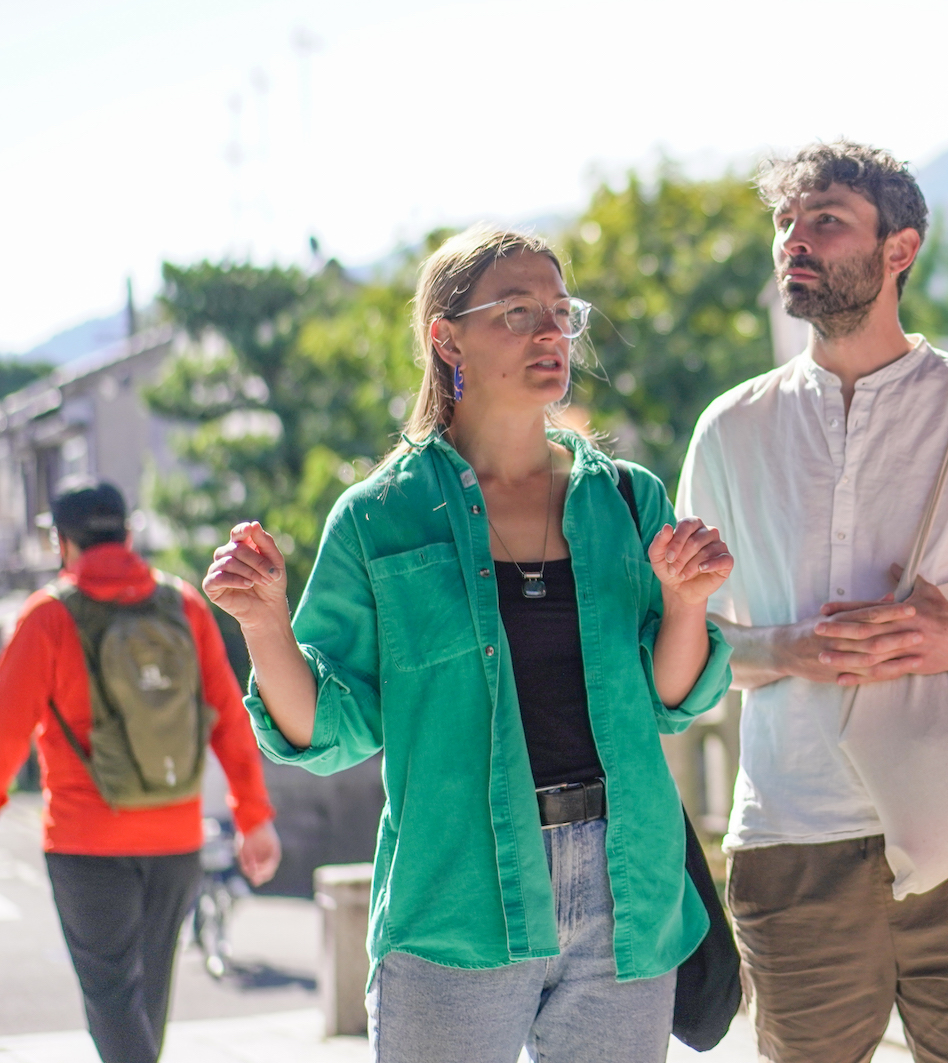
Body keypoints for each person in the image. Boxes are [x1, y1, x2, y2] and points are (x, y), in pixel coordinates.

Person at [200, 226, 734, 1063]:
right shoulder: (379, 515)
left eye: (561, 312)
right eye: (517, 312)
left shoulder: (628, 500)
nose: (551, 333)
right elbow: (327, 728)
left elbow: (670, 698)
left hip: (626, 892)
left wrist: (686, 603)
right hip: (453, 897)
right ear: (446, 338)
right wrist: (264, 622)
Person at [675, 141, 948, 1063]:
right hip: (791, 839)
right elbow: (681, 642)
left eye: (824, 220)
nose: (795, 241)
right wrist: (788, 650)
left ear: (899, 249)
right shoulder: (730, 429)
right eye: (786, 223)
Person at [0, 480, 281, 1063]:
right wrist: (253, 818)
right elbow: (229, 716)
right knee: (146, 1000)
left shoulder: (48, 615)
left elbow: (6, 733)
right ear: (128, 534)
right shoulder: (182, 604)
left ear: (62, 542)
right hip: (176, 838)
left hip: (86, 841)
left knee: (112, 999)